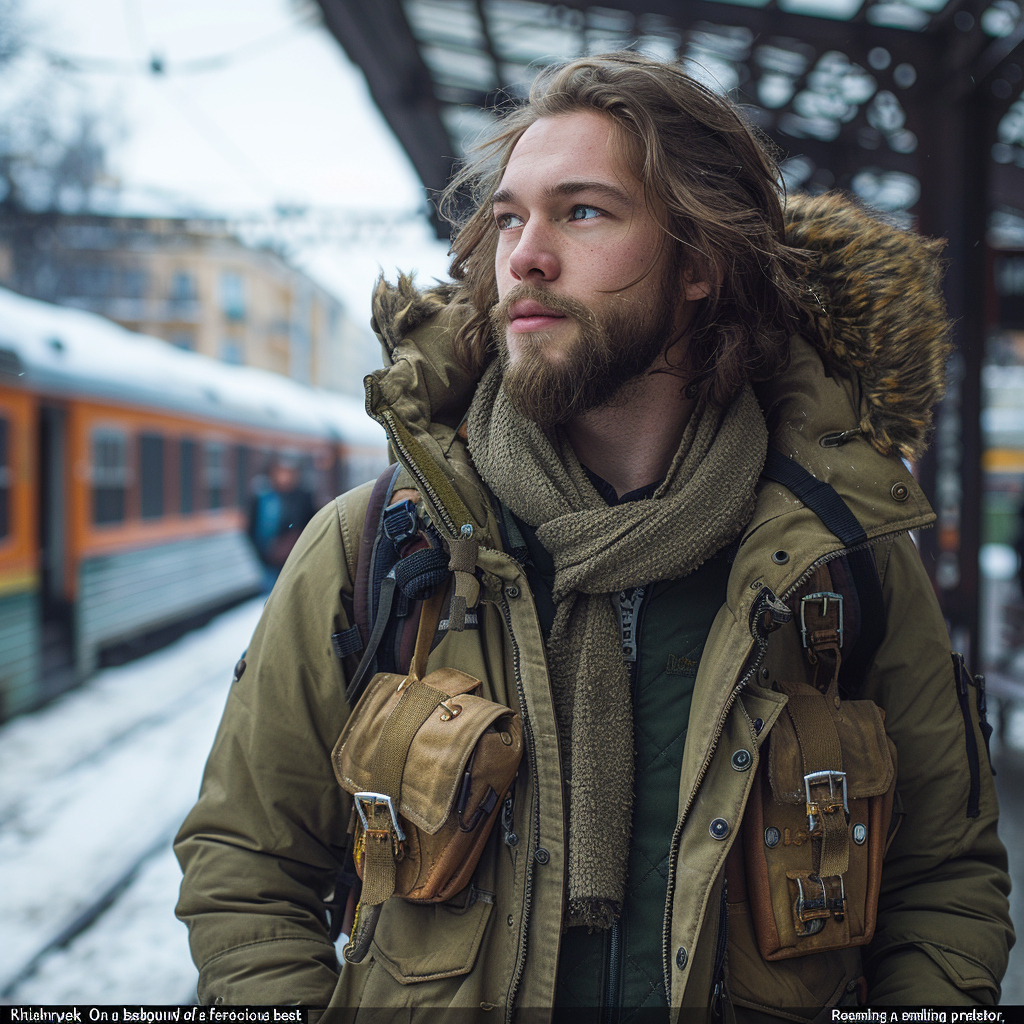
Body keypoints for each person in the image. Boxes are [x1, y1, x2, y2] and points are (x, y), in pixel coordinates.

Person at [175, 53, 1013, 1018]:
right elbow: (247, 866)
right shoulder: (378, 550)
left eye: (582, 211)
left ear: (700, 263)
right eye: (508, 219)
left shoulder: (837, 561)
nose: (524, 256)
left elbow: (942, 883)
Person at [247, 455, 316, 592]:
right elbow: (253, 529)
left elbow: (308, 525)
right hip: (268, 560)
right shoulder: (263, 498)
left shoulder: (304, 497)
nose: (284, 477)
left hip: (295, 559)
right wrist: (265, 554)